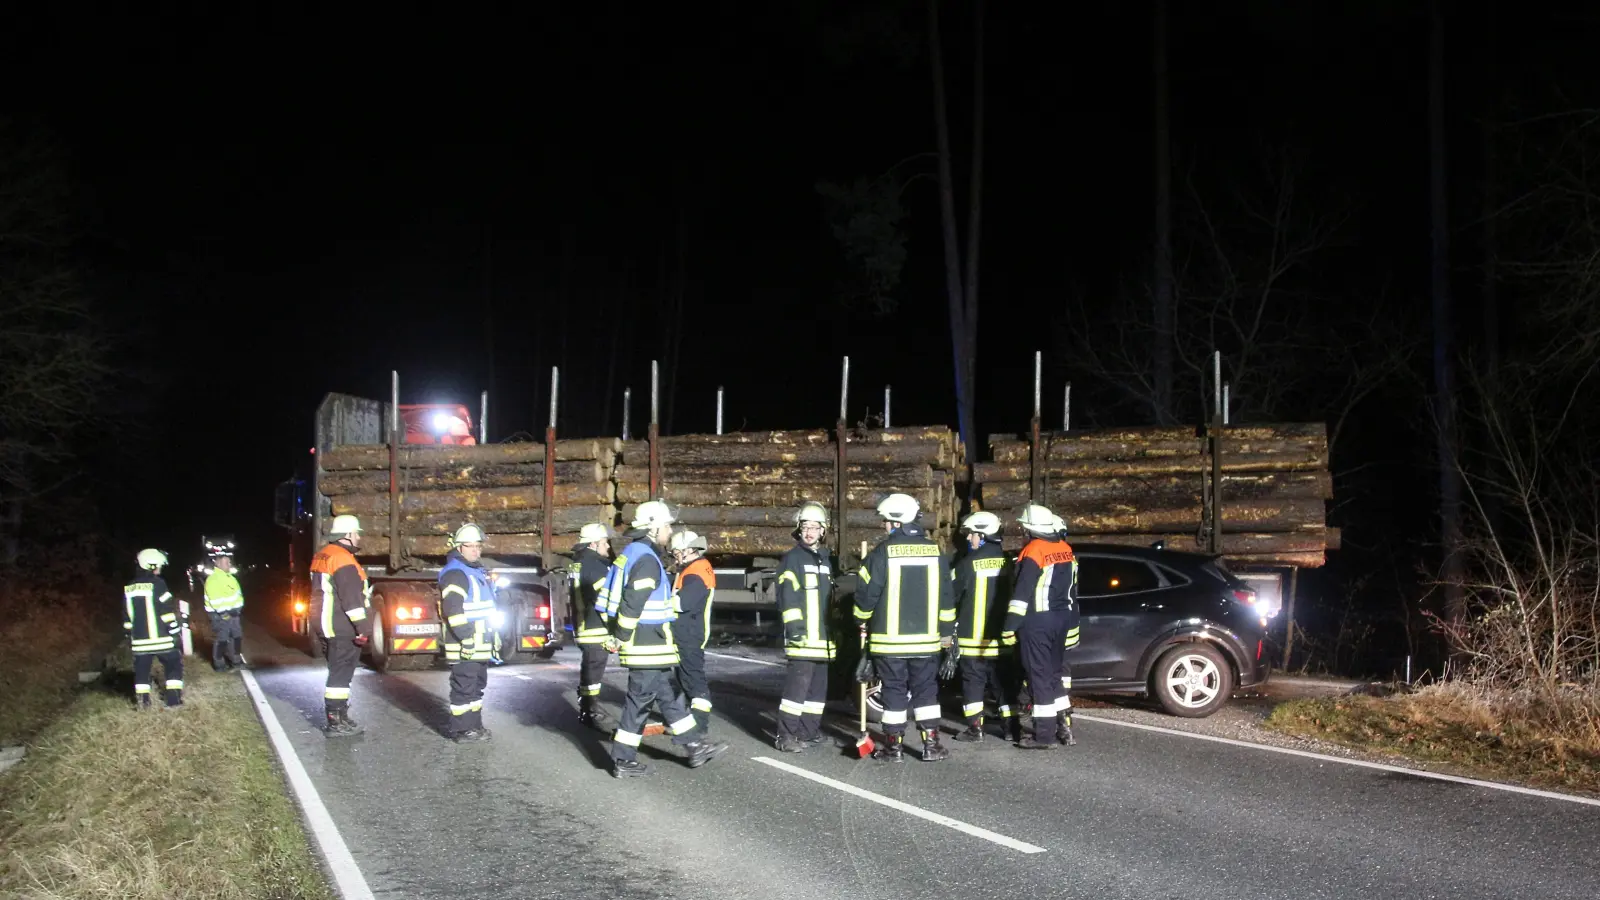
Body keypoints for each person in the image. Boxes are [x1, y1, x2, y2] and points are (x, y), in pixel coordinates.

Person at [600, 501, 727, 778]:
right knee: (639, 701)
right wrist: (621, 636)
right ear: (654, 526)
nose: (670, 532)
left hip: (651, 643)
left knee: (666, 696)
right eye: (667, 525)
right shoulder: (646, 558)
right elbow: (633, 602)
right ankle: (623, 759)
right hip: (646, 643)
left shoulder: (635, 553)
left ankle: (694, 745)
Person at [853, 493, 956, 762]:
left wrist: (860, 619)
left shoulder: (881, 554)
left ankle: (893, 748)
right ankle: (931, 745)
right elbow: (947, 599)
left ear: (896, 523)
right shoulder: (937, 553)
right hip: (927, 643)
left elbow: (866, 597)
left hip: (890, 645)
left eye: (886, 522)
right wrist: (946, 636)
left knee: (894, 693)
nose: (884, 527)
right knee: (926, 693)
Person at [1000, 504, 1079, 750]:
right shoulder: (1065, 549)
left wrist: (1009, 627)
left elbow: (1021, 594)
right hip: (1062, 619)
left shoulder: (1033, 551)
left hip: (1038, 623)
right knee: (1053, 675)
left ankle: (1043, 736)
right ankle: (1062, 727)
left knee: (1039, 679)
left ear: (1030, 528)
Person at [950, 511, 1016, 742]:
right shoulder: (1011, 563)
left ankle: (975, 729)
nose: (969, 539)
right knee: (1004, 684)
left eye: (972, 535)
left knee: (973, 684)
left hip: (974, 641)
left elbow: (951, 595)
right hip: (1003, 639)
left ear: (983, 535)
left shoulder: (967, 564)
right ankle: (1011, 728)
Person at [774, 502, 835, 752]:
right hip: (802, 639)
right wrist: (795, 630)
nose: (809, 532)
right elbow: (787, 598)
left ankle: (808, 732)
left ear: (823, 530)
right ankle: (785, 737)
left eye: (814, 527)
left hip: (823, 641)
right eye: (805, 527)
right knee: (795, 694)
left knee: (816, 692)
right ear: (798, 529)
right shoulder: (793, 559)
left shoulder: (827, 560)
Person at [310, 514, 372, 737]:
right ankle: (335, 721)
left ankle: (340, 717)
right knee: (340, 675)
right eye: (356, 534)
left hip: (325, 624)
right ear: (347, 535)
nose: (358, 538)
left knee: (338, 673)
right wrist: (363, 627)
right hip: (341, 626)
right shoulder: (343, 560)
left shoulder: (324, 555)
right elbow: (351, 599)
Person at [437, 523, 499, 743]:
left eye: (478, 546)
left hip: (479, 643)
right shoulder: (456, 573)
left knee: (476, 687)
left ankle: (474, 725)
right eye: (469, 546)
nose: (475, 550)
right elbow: (453, 609)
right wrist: (466, 638)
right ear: (459, 548)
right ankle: (462, 730)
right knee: (464, 687)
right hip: (467, 644)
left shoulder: (474, 571)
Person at [668, 529, 716, 736]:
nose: (675, 558)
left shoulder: (695, 573)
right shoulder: (692, 569)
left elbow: (682, 603)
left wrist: (658, 602)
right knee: (684, 678)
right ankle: (684, 720)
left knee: (693, 680)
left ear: (688, 550)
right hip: (688, 633)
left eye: (677, 553)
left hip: (689, 635)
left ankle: (699, 724)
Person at [124, 548, 184, 709]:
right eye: (158, 565)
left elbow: (127, 616)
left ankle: (143, 704)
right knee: (173, 665)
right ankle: (174, 701)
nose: (160, 568)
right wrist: (175, 632)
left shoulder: (129, 587)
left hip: (139, 642)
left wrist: (129, 635)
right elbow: (166, 611)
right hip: (162, 639)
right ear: (151, 566)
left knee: (142, 672)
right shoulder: (158, 584)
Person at [570, 522, 615, 729]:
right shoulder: (595, 566)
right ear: (594, 544)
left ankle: (587, 708)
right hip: (595, 627)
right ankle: (591, 710)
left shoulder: (579, 562)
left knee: (589, 669)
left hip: (583, 626)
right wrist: (615, 628)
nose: (608, 547)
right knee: (593, 672)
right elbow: (603, 600)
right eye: (605, 543)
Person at [204, 549, 246, 671]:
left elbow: (238, 595)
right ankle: (219, 665)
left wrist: (237, 610)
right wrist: (224, 613)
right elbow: (215, 601)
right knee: (222, 639)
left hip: (234, 614)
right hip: (220, 615)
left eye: (229, 562)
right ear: (218, 563)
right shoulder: (213, 580)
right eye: (226, 562)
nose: (229, 565)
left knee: (237, 637)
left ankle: (236, 662)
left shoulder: (230, 578)